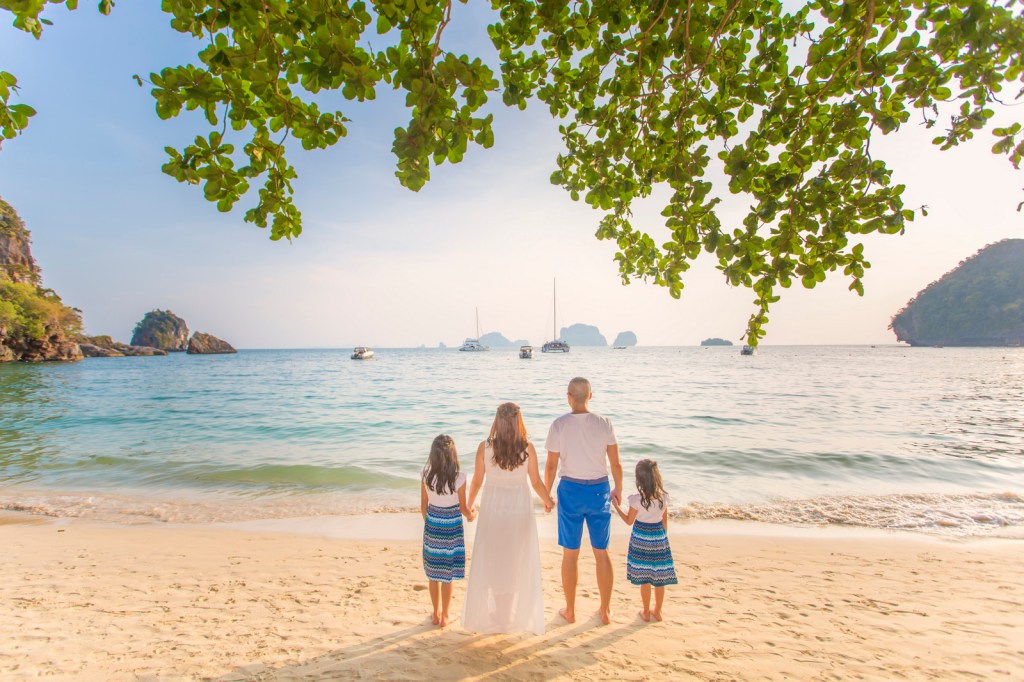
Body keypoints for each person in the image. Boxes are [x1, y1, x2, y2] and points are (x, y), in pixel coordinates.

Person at [462, 402, 554, 635]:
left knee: (495, 559)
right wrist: (548, 501)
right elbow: (535, 482)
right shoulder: (527, 448)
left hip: (493, 509)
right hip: (518, 510)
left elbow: (477, 481)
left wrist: (469, 504)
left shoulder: (485, 447)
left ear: (497, 422)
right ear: (518, 422)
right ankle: (506, 614)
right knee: (515, 559)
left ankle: (500, 613)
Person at [545, 377, 623, 625]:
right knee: (602, 552)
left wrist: (546, 494)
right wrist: (619, 488)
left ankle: (570, 610)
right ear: (591, 396)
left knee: (570, 554)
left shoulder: (559, 425)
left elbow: (550, 465)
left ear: (568, 396)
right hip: (599, 489)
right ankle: (606, 609)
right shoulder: (604, 423)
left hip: (570, 490)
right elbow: (616, 462)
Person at [421, 434, 476, 627]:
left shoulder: (426, 474)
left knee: (433, 574)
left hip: (433, 525)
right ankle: (445, 615)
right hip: (451, 528)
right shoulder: (459, 478)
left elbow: (423, 506)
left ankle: (435, 614)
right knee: (447, 575)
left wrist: (430, 525)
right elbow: (463, 508)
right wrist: (471, 515)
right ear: (453, 455)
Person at [614, 458, 678, 622]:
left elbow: (629, 521)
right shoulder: (663, 497)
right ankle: (658, 611)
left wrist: (616, 507)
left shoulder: (636, 499)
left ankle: (646, 612)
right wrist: (661, 540)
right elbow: (665, 524)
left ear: (639, 479)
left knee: (645, 579)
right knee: (659, 579)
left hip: (641, 538)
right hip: (658, 537)